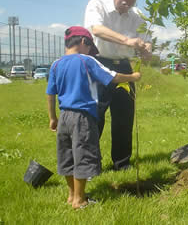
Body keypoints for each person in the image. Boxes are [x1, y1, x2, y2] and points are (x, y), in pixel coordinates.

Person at [46, 26, 141, 209]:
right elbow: (111, 77)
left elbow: (50, 94)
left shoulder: (56, 64)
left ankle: (72, 195)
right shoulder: (87, 61)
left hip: (64, 116)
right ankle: (80, 201)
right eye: (90, 47)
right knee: (83, 155)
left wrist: (52, 118)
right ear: (84, 42)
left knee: (68, 156)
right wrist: (133, 77)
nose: (91, 52)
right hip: (83, 116)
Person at [84, 0, 152, 171]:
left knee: (124, 115)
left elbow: (147, 38)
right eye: (124, 2)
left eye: (131, 4)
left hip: (123, 67)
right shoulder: (97, 5)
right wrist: (127, 41)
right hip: (98, 63)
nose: (126, 7)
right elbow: (96, 29)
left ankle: (122, 163)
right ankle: (89, 164)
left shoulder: (136, 14)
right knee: (94, 115)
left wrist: (146, 48)